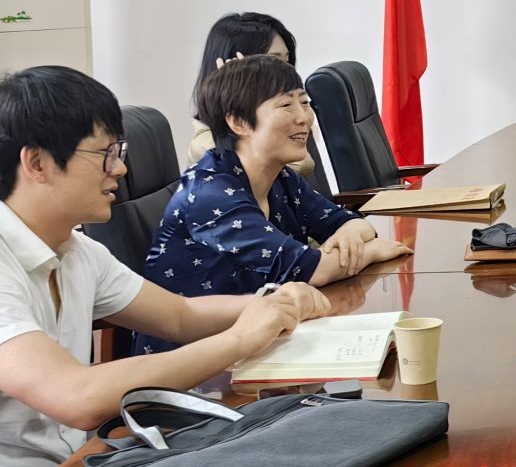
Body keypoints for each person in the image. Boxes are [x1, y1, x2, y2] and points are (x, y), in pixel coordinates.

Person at [0, 66, 324, 467]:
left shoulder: (72, 248)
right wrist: (240, 339)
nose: (120, 168)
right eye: (105, 154)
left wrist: (274, 302)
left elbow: (179, 316)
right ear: (37, 163)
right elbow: (77, 397)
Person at [136, 56, 410, 354]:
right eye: (286, 105)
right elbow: (312, 270)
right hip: (195, 356)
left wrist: (350, 233)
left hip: (262, 336)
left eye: (304, 102)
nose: (304, 117)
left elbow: (349, 221)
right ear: (238, 122)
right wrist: (369, 251)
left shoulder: (280, 177)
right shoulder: (211, 193)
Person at [185, 11, 314, 178]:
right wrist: (237, 91)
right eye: (273, 60)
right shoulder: (207, 144)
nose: (286, 70)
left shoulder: (285, 113)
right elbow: (301, 165)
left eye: (286, 61)